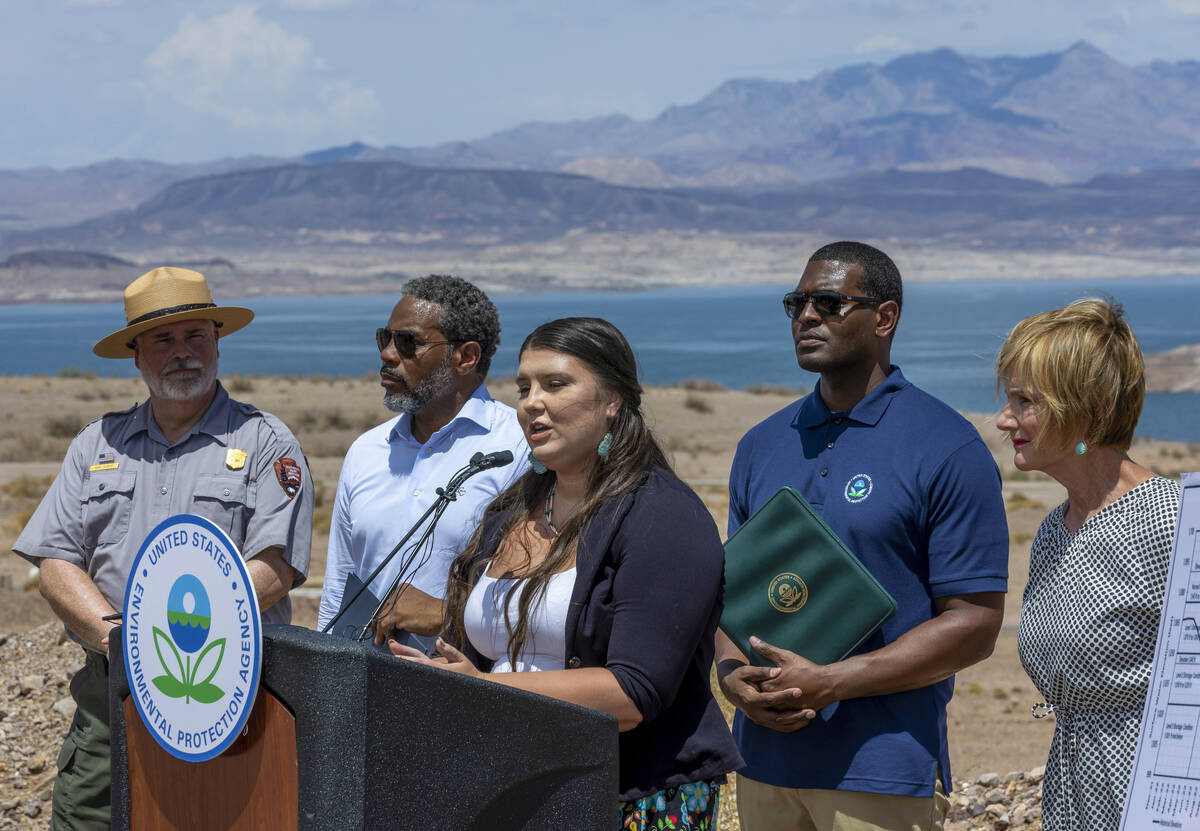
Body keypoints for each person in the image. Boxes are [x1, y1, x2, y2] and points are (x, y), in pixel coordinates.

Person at [390, 317, 743, 828]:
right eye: (524, 387)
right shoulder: (508, 512)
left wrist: (483, 692)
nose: (532, 402)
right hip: (515, 785)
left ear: (613, 400)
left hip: (633, 797)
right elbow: (468, 653)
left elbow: (634, 693)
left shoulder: (663, 516)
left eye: (556, 384)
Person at [716, 241, 1009, 831]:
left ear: (884, 317)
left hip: (882, 771)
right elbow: (734, 594)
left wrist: (831, 684)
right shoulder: (760, 444)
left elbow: (975, 623)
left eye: (827, 301)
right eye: (796, 302)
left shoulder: (946, 446)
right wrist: (730, 679)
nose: (806, 316)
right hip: (762, 765)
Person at [13, 266, 313, 831]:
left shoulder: (265, 441)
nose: (183, 353)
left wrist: (178, 640)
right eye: (163, 340)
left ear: (217, 342)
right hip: (112, 693)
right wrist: (121, 640)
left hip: (232, 695)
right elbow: (55, 562)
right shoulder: (95, 444)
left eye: (196, 335)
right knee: (89, 819)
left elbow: (277, 566)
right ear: (136, 353)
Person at [996, 298, 1178, 831]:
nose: (1006, 419)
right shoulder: (1055, 529)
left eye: (1024, 401)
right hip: (1073, 796)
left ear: (1090, 411)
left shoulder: (1169, 520)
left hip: (1156, 799)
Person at [317, 274, 528, 641]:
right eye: (386, 339)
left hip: (465, 682)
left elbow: (537, 595)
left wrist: (449, 614)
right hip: (364, 679)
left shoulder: (518, 449)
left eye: (408, 342)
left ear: (466, 357)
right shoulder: (367, 451)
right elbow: (339, 586)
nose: (387, 354)